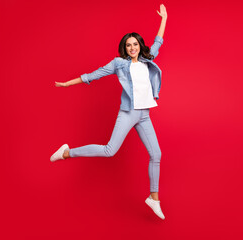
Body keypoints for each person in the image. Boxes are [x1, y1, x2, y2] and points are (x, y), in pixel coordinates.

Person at [50, 4, 167, 220]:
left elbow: (158, 41)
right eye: (128, 45)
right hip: (128, 113)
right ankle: (67, 152)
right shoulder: (119, 64)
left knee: (156, 154)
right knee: (109, 150)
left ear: (140, 45)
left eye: (135, 44)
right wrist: (68, 84)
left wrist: (164, 19)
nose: (132, 48)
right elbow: (94, 74)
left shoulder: (147, 59)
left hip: (144, 115)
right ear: (124, 47)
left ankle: (154, 198)